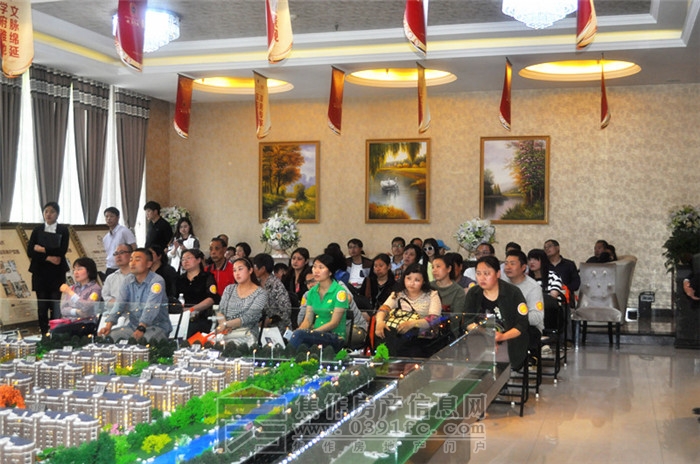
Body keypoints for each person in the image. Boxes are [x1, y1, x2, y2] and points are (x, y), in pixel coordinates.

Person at [464, 256, 529, 371]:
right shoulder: (473, 293)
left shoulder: (513, 293)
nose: (482, 278)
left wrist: (502, 336)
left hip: (508, 339)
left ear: (498, 274)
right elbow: (467, 321)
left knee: (498, 366)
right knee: (478, 364)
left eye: (487, 273)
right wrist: (487, 334)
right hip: (480, 337)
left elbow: (522, 324)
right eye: (478, 274)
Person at [98, 248, 172, 342]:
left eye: (137, 260)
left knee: (143, 340)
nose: (132, 263)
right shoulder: (128, 280)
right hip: (133, 326)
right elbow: (119, 305)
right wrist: (108, 325)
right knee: (110, 337)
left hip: (156, 327)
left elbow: (151, 307)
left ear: (149, 264)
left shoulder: (157, 281)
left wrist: (141, 327)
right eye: (131, 260)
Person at [374, 263, 442, 358]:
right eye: (408, 278)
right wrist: (379, 322)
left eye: (417, 280)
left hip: (422, 339)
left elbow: (434, 319)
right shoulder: (398, 293)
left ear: (423, 281)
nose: (411, 283)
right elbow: (384, 308)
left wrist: (412, 324)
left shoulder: (432, 295)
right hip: (397, 336)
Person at [289, 254, 349, 351]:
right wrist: (297, 332)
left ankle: (286, 356)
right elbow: (308, 320)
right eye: (314, 267)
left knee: (301, 337)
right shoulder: (312, 292)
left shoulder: (339, 292)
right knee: (298, 338)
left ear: (330, 272)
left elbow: (334, 322)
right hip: (315, 334)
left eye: (321, 268)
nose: (316, 271)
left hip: (334, 336)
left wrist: (312, 332)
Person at [27, 201, 70, 335]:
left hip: (56, 273)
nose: (48, 214)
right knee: (42, 306)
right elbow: (31, 251)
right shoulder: (37, 229)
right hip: (40, 272)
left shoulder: (63, 230)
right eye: (46, 211)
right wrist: (48, 257)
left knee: (55, 305)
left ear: (57, 214)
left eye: (52, 212)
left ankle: (55, 334)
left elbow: (61, 251)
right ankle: (44, 333)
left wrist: (42, 249)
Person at [215, 257, 268, 347]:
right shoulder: (229, 289)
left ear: (250, 270)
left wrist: (227, 324)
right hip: (226, 332)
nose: (237, 273)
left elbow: (249, 317)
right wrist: (223, 325)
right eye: (234, 270)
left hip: (247, 334)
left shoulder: (260, 293)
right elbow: (220, 311)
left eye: (240, 269)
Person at [53, 257, 102, 337]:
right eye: (74, 270)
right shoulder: (73, 287)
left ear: (89, 271)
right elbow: (63, 309)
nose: (76, 272)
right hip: (70, 322)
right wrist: (76, 311)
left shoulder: (95, 288)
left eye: (79, 269)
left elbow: (87, 306)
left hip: (87, 323)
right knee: (55, 331)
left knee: (60, 332)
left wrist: (70, 293)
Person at [176, 249, 220, 337]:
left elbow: (211, 298)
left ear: (198, 260)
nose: (185, 261)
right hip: (181, 316)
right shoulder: (179, 279)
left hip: (201, 317)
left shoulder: (207, 277)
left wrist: (191, 309)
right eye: (183, 259)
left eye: (188, 258)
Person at [503, 250, 545, 335]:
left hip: (529, 328)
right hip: (505, 325)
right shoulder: (501, 283)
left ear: (523, 267)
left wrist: (512, 317)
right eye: (506, 264)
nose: (508, 267)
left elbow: (537, 317)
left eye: (512, 264)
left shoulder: (534, 287)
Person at [253, 253, 292, 333]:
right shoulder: (256, 283)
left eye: (255, 266)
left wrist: (269, 321)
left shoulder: (276, 285)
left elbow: (285, 310)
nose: (253, 269)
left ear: (263, 269)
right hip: (260, 325)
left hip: (277, 327)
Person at [102, 207, 136, 277]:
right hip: (110, 268)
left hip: (123, 268)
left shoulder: (124, 231)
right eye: (106, 216)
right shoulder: (106, 237)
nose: (109, 219)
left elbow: (134, 248)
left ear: (118, 218)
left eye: (112, 216)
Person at [101, 244, 132, 310]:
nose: (118, 256)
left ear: (131, 254)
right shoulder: (110, 278)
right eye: (116, 254)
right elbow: (105, 296)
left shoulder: (138, 275)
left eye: (122, 253)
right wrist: (117, 303)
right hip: (113, 312)